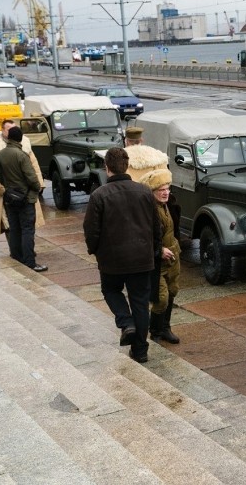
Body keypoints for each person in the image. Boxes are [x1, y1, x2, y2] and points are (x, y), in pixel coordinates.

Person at [84, 147, 161, 364]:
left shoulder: (99, 195)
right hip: (142, 258)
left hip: (112, 259)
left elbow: (91, 230)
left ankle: (126, 322)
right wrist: (153, 250)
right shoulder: (145, 192)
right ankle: (140, 350)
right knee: (140, 301)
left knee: (110, 289)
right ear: (126, 166)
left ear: (106, 167)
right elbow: (156, 226)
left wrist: (95, 250)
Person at [0, 119, 45, 255]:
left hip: (25, 192)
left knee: (26, 224)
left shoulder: (25, 144)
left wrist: (39, 185)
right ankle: (18, 253)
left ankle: (26, 251)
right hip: (7, 195)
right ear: (2, 130)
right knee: (11, 225)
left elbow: (34, 166)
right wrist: (5, 190)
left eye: (14, 128)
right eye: (9, 129)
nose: (12, 131)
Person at [0, 126, 47, 272]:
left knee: (15, 228)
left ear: (8, 138)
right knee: (28, 230)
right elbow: (31, 178)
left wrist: (9, 188)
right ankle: (30, 262)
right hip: (25, 199)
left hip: (10, 198)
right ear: (20, 139)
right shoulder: (22, 155)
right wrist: (37, 188)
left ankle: (17, 257)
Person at [138, 168, 181, 344]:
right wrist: (160, 249)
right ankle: (155, 329)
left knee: (172, 292)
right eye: (160, 190)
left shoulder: (169, 205)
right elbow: (143, 236)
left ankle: (165, 328)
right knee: (161, 298)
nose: (165, 193)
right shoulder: (148, 210)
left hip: (173, 257)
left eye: (167, 189)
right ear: (152, 192)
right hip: (157, 260)